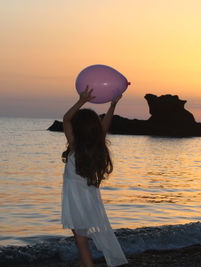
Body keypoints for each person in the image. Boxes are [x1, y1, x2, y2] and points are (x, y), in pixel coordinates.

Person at [61, 86, 128, 267]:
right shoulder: (96, 146)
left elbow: (66, 119)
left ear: (77, 129)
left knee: (81, 240)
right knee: (83, 237)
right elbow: (105, 125)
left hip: (75, 200)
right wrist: (113, 105)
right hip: (90, 199)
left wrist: (82, 100)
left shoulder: (75, 146)